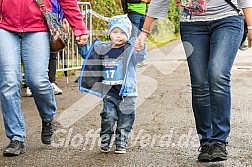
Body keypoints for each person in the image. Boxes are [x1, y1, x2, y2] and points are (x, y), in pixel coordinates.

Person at [135, 0, 252, 162]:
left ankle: (219, 141)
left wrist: (251, 25)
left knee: (217, 73)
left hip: (227, 19)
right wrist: (144, 32)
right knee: (200, 83)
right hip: (192, 24)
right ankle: (206, 142)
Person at [0, 0, 88, 156]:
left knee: (37, 81)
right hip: (5, 25)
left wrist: (79, 28)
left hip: (37, 25)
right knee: (9, 81)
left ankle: (48, 118)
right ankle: (16, 137)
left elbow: (67, 1)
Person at [78, 15, 146, 154]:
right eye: (115, 32)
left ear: (127, 34)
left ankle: (121, 143)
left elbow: (140, 57)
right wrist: (82, 45)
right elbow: (88, 55)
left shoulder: (130, 48)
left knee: (126, 118)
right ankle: (105, 140)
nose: (119, 36)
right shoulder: (102, 48)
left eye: (122, 33)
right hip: (110, 92)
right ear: (109, 33)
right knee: (108, 116)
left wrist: (141, 48)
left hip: (127, 92)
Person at [26, 0, 68, 97]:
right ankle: (31, 84)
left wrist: (64, 16)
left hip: (54, 14)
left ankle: (51, 81)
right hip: (36, 14)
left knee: (54, 47)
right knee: (33, 49)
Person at [124, 0, 150, 67]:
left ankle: (141, 58)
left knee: (142, 36)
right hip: (134, 13)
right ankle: (133, 59)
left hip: (143, 13)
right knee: (133, 37)